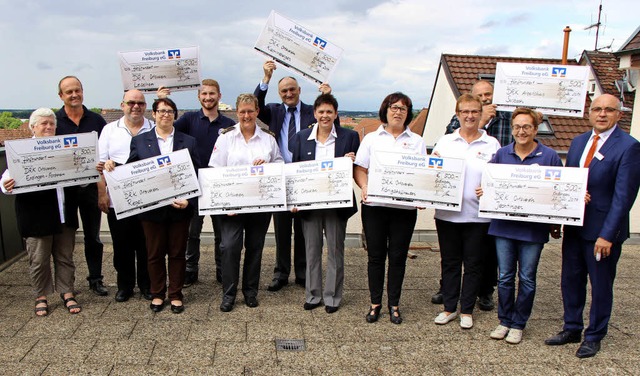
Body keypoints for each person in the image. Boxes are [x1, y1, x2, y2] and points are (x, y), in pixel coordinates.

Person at [545, 94, 640, 358]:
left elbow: (624, 198)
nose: (601, 114)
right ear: (589, 113)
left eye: (608, 110)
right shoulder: (578, 142)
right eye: (596, 109)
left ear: (619, 115)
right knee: (570, 280)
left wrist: (607, 235)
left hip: (602, 232)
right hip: (575, 227)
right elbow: (568, 184)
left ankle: (594, 335)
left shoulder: (629, 147)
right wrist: (558, 220)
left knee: (600, 285)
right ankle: (572, 327)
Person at [105, 97, 200, 314]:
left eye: (170, 111)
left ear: (175, 115)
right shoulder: (140, 141)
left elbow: (197, 175)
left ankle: (175, 294)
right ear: (154, 114)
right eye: (161, 110)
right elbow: (132, 171)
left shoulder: (189, 141)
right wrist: (113, 165)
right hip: (152, 210)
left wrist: (190, 200)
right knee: (154, 254)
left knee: (177, 254)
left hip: (180, 208)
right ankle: (157, 293)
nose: (165, 114)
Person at [477, 108, 563, 344]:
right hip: (503, 227)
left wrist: (558, 221)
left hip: (533, 231)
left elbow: (559, 193)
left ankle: (518, 323)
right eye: (517, 127)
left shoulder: (550, 157)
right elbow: (489, 183)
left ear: (535, 129)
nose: (521, 131)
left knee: (527, 278)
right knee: (504, 277)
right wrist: (485, 191)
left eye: (526, 127)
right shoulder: (501, 154)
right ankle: (504, 320)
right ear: (512, 129)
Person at [254, 60, 332, 291]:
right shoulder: (274, 111)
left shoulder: (312, 111)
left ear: (299, 91)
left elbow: (330, 121)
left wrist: (328, 95)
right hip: (280, 175)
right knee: (282, 227)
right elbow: (257, 102)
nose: (289, 93)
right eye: (284, 91)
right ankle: (280, 273)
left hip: (305, 175)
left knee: (303, 226)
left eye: (292, 89)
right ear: (280, 94)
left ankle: (302, 272)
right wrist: (266, 78)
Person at [354, 92, 426, 325]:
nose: (398, 112)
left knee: (397, 258)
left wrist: (424, 194)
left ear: (408, 113)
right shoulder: (372, 139)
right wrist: (364, 186)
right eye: (394, 107)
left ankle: (394, 304)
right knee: (376, 257)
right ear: (385, 110)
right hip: (375, 206)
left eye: (403, 108)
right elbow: (360, 168)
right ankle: (375, 303)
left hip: (404, 210)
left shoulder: (417, 141)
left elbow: (422, 175)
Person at [1, 108, 81, 315]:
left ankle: (67, 292)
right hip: (36, 215)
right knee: (39, 259)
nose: (48, 127)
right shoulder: (22, 151)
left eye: (51, 123)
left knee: (65, 257)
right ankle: (41, 295)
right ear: (33, 127)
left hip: (64, 212)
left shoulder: (66, 148)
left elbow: (81, 174)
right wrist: (6, 184)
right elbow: (6, 178)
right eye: (43, 123)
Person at [209, 94, 283, 312]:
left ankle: (250, 292)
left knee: (255, 248)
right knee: (230, 247)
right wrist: (225, 204)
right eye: (242, 111)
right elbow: (214, 170)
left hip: (260, 205)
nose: (246, 115)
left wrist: (267, 163)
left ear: (257, 111)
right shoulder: (226, 137)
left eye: (250, 111)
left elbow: (280, 165)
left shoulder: (268, 139)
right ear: (236, 112)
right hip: (232, 206)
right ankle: (228, 294)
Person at [432, 94, 500, 329]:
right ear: (458, 114)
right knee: (450, 263)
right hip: (447, 215)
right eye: (465, 112)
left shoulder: (492, 144)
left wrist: (490, 188)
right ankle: (450, 308)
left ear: (481, 114)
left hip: (479, 216)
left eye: (474, 111)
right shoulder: (445, 142)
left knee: (474, 265)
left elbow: (500, 179)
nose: (469, 116)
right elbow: (432, 173)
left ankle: (467, 310)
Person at [157, 79, 235, 286]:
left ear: (219, 96)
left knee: (222, 233)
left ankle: (222, 270)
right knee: (192, 233)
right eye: (204, 94)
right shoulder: (189, 119)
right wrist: (162, 99)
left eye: (212, 94)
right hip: (192, 185)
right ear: (198, 97)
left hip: (219, 186)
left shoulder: (229, 125)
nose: (208, 97)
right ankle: (191, 270)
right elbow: (165, 129)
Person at [290, 94, 360, 314]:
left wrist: (352, 159)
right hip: (310, 205)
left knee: (335, 251)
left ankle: (332, 297)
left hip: (337, 204)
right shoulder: (301, 137)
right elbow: (295, 171)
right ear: (315, 114)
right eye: (321, 111)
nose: (325, 116)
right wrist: (294, 200)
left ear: (336, 114)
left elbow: (357, 167)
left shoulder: (349, 136)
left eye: (329, 112)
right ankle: (313, 294)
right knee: (311, 251)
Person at [97, 90, 153, 302]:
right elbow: (100, 165)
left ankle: (147, 285)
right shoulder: (110, 130)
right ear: (122, 105)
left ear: (145, 106)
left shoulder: (154, 128)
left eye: (140, 103)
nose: (135, 107)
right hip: (117, 200)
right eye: (131, 103)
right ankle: (125, 286)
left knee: (146, 244)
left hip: (147, 198)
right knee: (122, 245)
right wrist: (102, 194)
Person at [55, 76, 108, 296]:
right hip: (64, 191)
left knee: (93, 237)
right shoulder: (54, 121)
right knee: (64, 239)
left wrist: (102, 191)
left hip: (89, 189)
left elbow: (105, 156)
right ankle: (67, 285)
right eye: (69, 92)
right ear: (61, 96)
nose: (74, 94)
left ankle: (95, 279)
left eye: (77, 90)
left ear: (83, 92)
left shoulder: (96, 121)